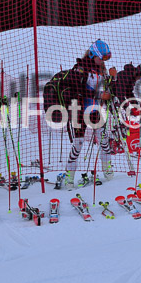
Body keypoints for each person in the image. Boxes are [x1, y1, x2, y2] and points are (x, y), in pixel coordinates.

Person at [57, 39, 114, 189]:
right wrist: (100, 96)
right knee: (79, 144)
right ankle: (69, 177)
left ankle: (107, 169)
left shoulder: (101, 70)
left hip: (94, 110)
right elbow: (79, 92)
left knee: (103, 138)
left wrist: (111, 80)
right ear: (93, 55)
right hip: (79, 110)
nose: (104, 61)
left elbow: (106, 90)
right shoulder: (80, 69)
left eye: (106, 58)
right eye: (102, 58)